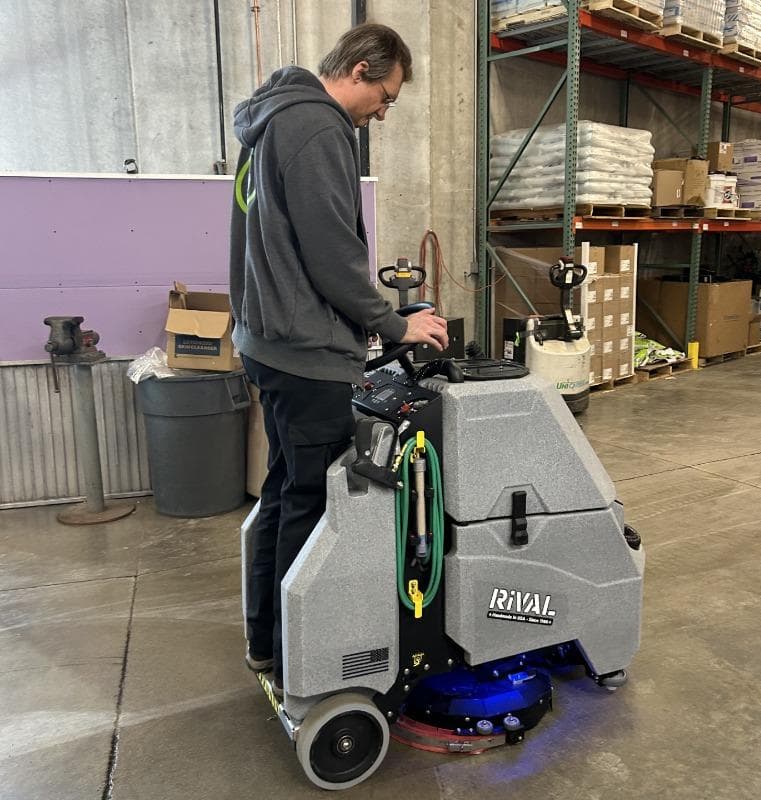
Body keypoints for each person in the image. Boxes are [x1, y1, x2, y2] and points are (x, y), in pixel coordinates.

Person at [229, 23, 449, 696]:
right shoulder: (319, 128)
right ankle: (305, 662)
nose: (382, 113)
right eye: (384, 97)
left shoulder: (270, 122)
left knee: (283, 493)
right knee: (315, 508)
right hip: (307, 355)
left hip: (269, 344)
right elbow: (333, 256)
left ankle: (267, 641)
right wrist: (395, 324)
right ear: (359, 71)